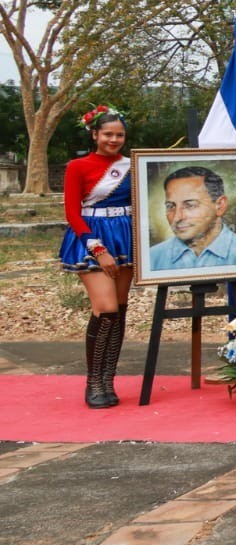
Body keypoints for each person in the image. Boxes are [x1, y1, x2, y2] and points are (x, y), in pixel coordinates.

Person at [61, 106, 134, 408]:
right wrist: (98, 249)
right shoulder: (78, 166)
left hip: (125, 236)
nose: (114, 139)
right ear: (95, 135)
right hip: (92, 236)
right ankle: (93, 382)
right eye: (108, 134)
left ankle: (108, 380)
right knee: (104, 310)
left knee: (118, 311)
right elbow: (71, 211)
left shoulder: (132, 165)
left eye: (119, 134)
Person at [149, 166, 236, 272]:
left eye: (190, 205)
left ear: (220, 205)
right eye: (170, 206)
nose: (177, 217)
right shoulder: (153, 257)